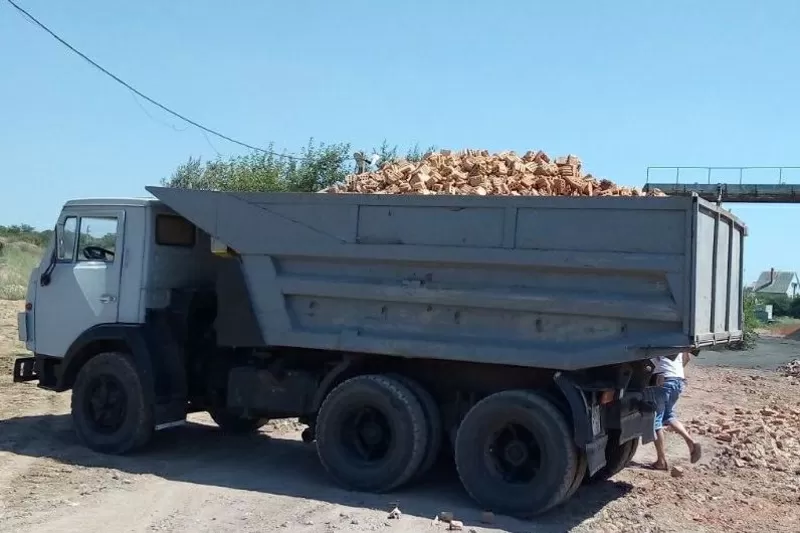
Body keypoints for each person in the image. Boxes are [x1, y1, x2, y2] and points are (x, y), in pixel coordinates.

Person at [651, 350, 702, 470]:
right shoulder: (676, 339)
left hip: (663, 379)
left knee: (655, 423)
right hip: (678, 380)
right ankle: (690, 441)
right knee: (669, 416)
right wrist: (676, 372)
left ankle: (661, 461)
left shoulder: (654, 339)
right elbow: (687, 358)